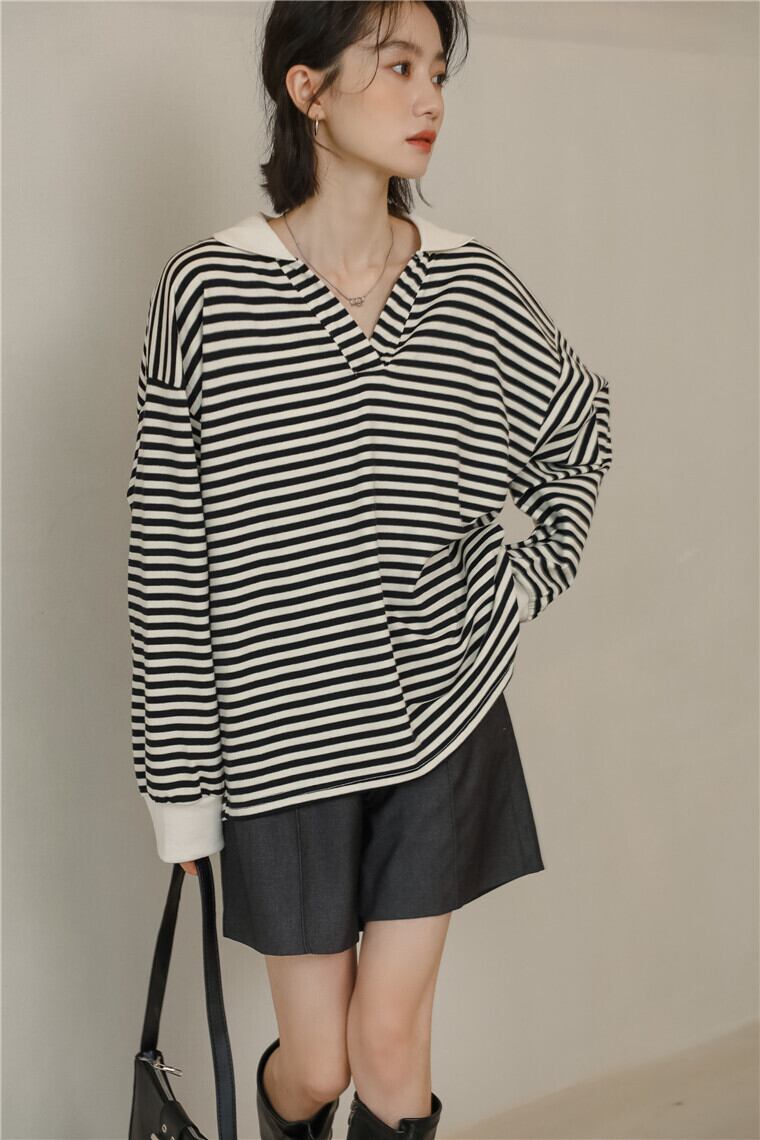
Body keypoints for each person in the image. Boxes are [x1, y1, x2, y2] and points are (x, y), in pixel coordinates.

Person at [126, 3, 613, 1138]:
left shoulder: (471, 286)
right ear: (308, 89)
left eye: (437, 70)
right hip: (280, 733)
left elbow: (577, 432)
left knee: (392, 1047)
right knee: (318, 1063)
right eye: (396, 67)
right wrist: (180, 788)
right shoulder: (208, 291)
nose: (429, 96)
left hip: (438, 716)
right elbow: (168, 556)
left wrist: (520, 577)